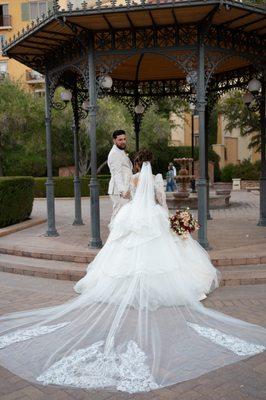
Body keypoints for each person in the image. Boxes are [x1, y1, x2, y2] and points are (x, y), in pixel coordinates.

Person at [0, 149, 265, 394]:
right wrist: (169, 220)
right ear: (153, 163)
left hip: (133, 217)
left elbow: (127, 196)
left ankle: (121, 285)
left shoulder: (136, 179)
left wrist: (134, 199)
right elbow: (161, 203)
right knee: (163, 255)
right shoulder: (158, 179)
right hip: (152, 217)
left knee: (123, 249)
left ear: (138, 163)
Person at [107, 129, 133, 221]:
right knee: (117, 215)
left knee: (123, 216)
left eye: (124, 139)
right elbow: (117, 174)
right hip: (118, 191)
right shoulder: (114, 154)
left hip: (124, 189)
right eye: (120, 140)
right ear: (114, 140)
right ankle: (114, 235)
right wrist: (123, 191)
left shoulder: (120, 151)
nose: (123, 142)